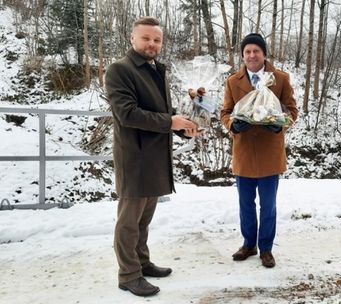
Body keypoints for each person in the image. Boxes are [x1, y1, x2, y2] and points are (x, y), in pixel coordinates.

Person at [105, 17, 201, 297]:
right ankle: (128, 274)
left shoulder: (157, 70)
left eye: (157, 40)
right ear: (132, 39)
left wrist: (185, 128)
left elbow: (163, 112)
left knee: (143, 220)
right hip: (134, 157)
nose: (152, 44)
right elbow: (128, 114)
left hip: (155, 157)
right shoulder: (119, 70)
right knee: (128, 221)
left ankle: (142, 262)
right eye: (146, 38)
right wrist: (171, 123)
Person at [220, 33, 298, 268]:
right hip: (243, 152)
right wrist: (233, 124)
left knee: (268, 205)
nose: (252, 55)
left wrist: (281, 124)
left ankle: (266, 248)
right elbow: (225, 112)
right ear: (243, 56)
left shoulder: (281, 79)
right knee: (245, 204)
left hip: (269, 153)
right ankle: (248, 244)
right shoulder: (233, 81)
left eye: (256, 51)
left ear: (264, 54)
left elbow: (292, 110)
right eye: (247, 52)